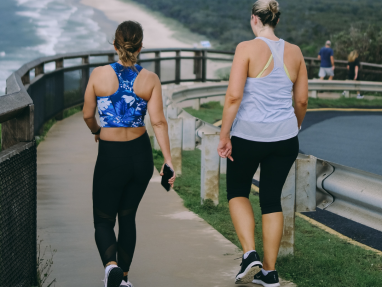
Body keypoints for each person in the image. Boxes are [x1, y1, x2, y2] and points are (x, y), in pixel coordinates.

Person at [217, 0, 308, 286]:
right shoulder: (295, 52)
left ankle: (249, 254)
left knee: (237, 192)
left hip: (248, 136)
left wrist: (224, 135)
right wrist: (295, 126)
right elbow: (302, 100)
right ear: (276, 20)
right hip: (284, 138)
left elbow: (233, 97)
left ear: (255, 19)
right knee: (271, 199)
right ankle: (269, 273)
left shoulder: (246, 48)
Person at [83, 21, 175, 287]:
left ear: (115, 44)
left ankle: (111, 267)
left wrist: (97, 130)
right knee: (127, 217)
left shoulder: (99, 75)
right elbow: (158, 122)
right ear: (141, 46)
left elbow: (88, 114)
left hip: (111, 156)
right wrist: (168, 161)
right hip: (140, 157)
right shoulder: (150, 79)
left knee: (103, 220)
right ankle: (123, 278)